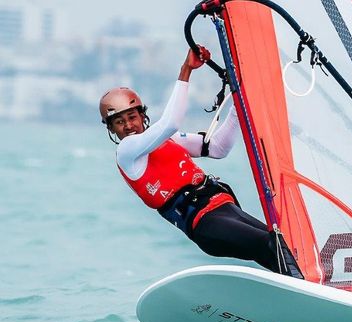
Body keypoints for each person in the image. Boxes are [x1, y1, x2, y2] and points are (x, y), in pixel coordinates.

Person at [99, 46, 303, 279]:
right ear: (111, 129)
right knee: (269, 244)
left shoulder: (170, 141)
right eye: (119, 122)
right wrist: (186, 70)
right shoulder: (128, 151)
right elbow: (170, 123)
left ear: (142, 116)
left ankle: (315, 286)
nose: (128, 125)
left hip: (227, 208)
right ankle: (312, 291)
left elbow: (217, 148)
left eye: (132, 117)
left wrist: (238, 103)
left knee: (282, 245)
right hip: (206, 224)